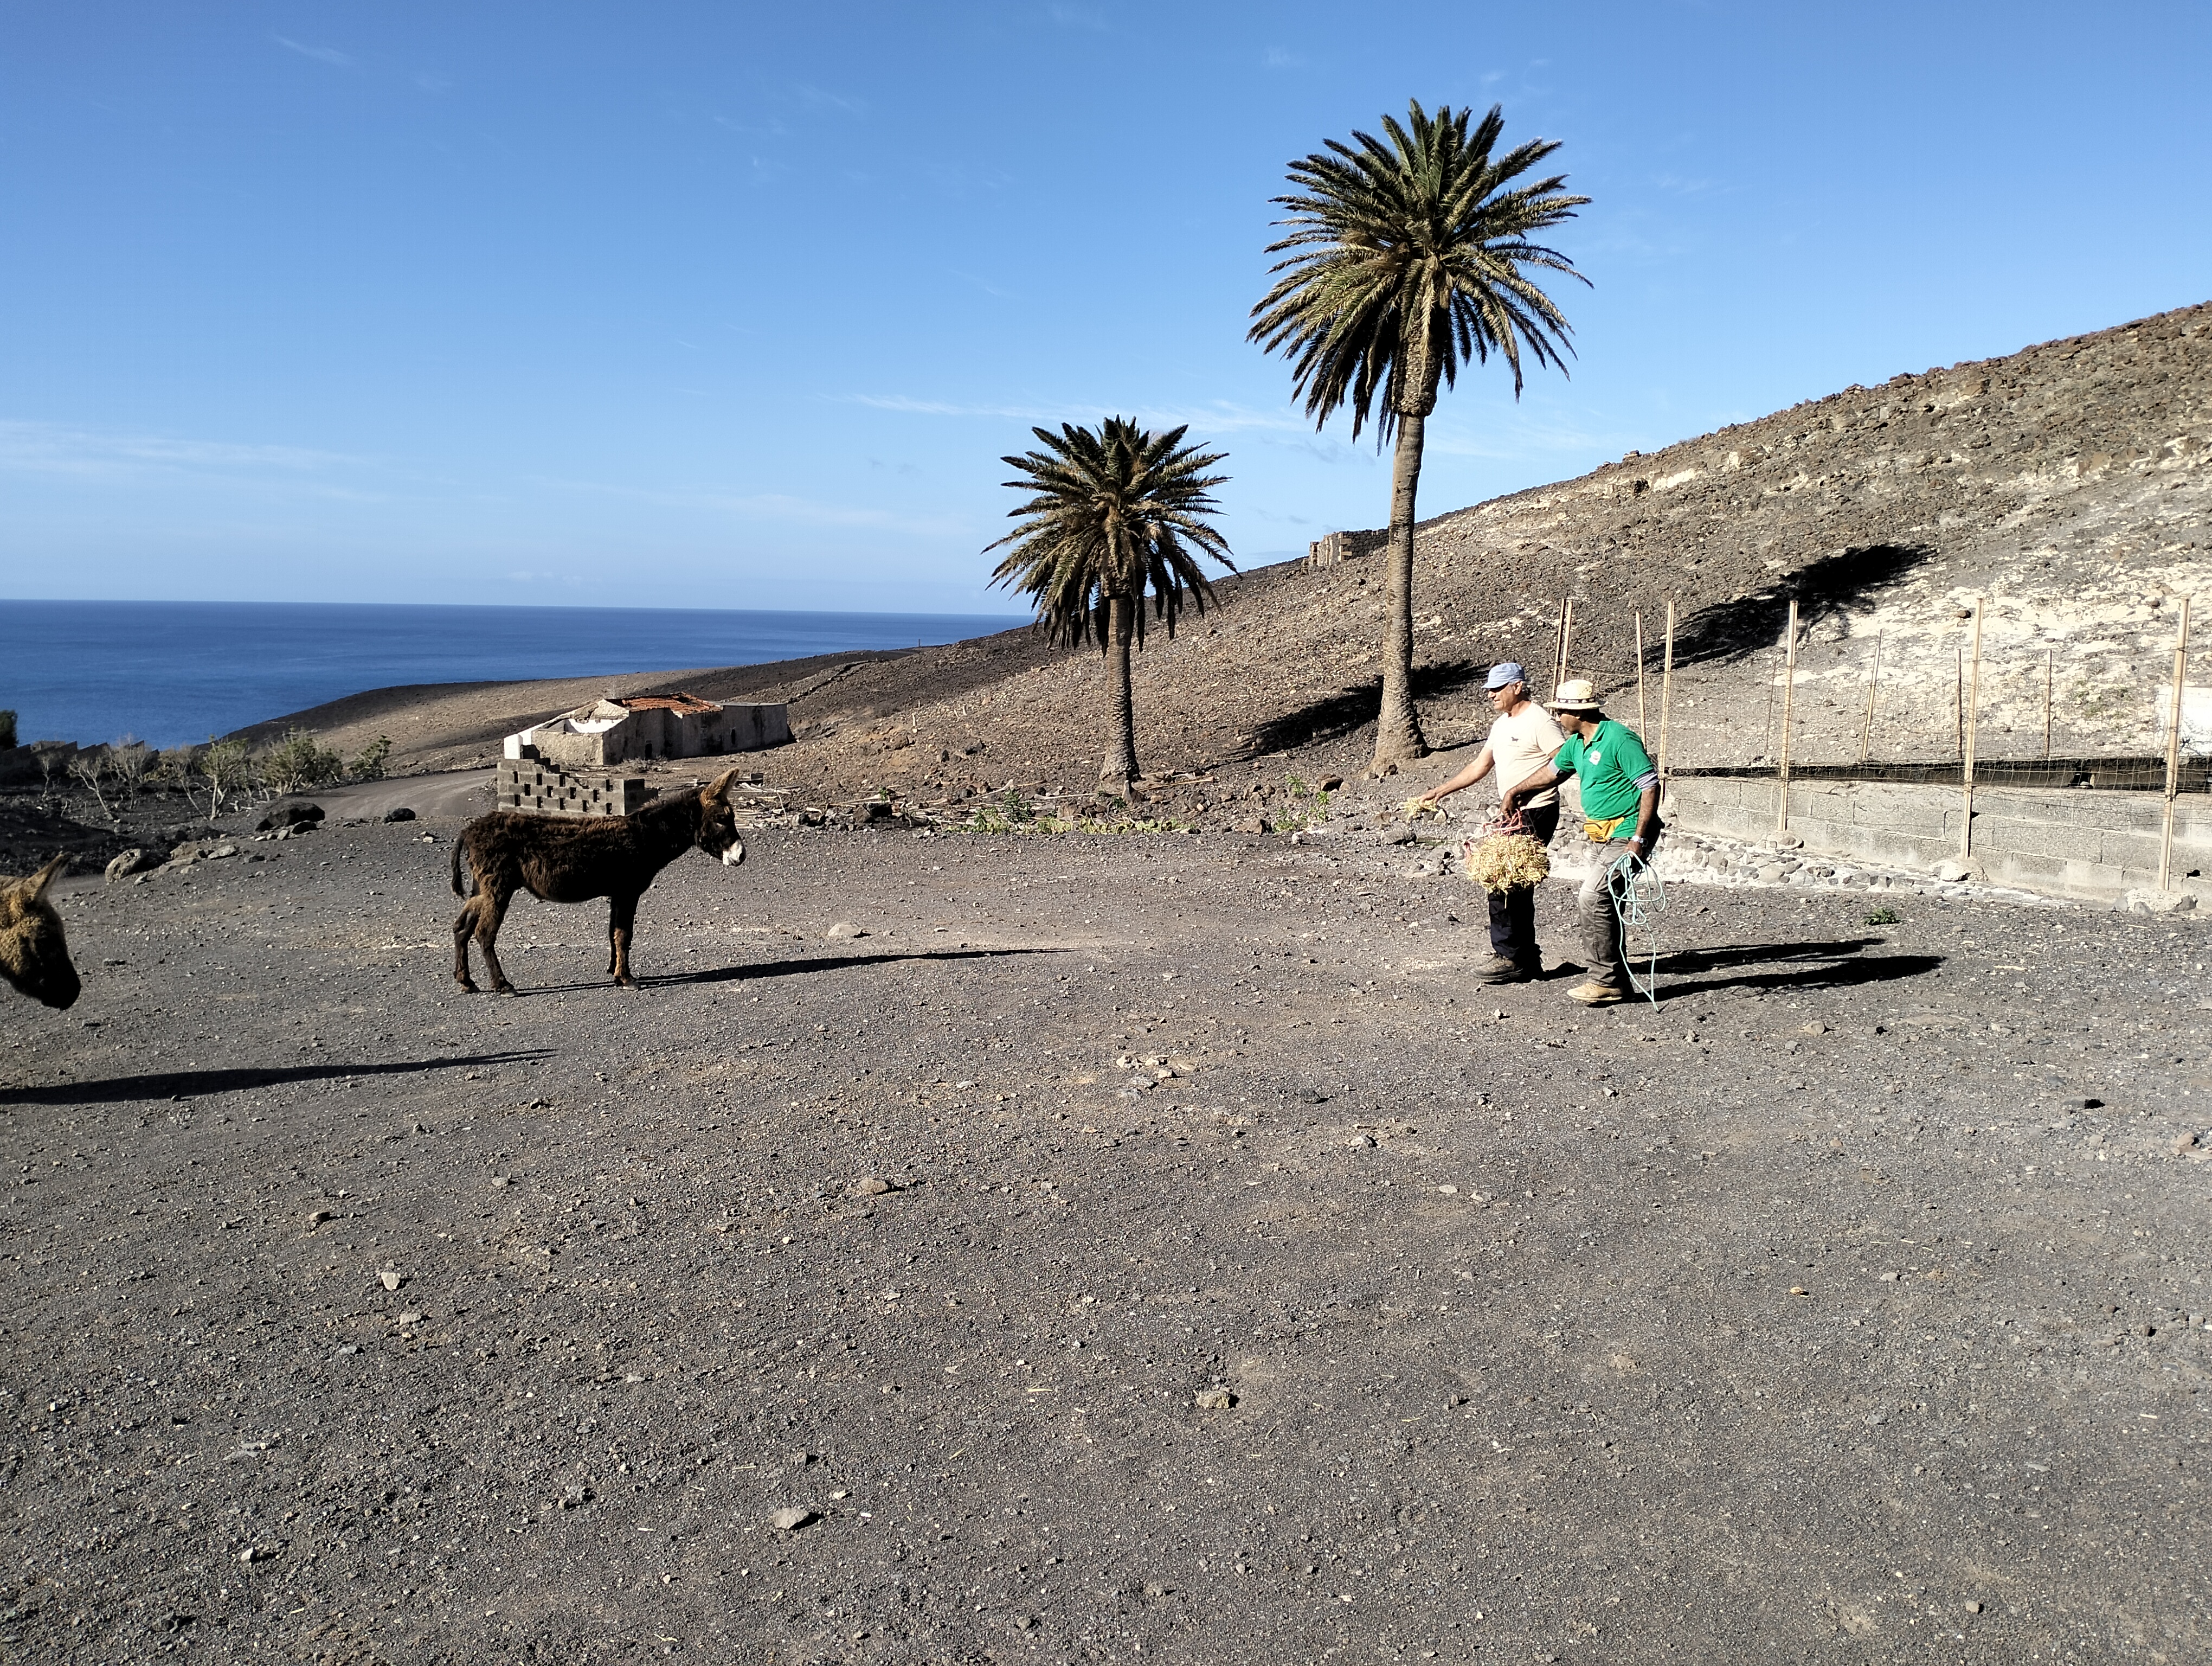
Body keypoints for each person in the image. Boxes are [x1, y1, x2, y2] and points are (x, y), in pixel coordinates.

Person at [1500, 678, 1661, 1008]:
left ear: (1578, 712)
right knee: (1609, 903)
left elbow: (1650, 785)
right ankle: (1616, 980)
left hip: (1628, 833)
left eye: (1561, 711)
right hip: (1604, 835)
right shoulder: (1577, 743)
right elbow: (1552, 773)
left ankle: (1605, 981)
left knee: (1593, 894)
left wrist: (1639, 838)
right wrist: (1516, 791)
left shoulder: (1619, 739)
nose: (1557, 716)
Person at [1414, 662, 1565, 985]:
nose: (1491, 694)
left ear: (1518, 687)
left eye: (1498, 689)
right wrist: (1441, 790)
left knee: (1505, 882)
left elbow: (1563, 763)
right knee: (1509, 883)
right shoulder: (1502, 724)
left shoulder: (1540, 721)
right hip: (1511, 813)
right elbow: (1480, 765)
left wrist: (1522, 792)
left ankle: (1511, 956)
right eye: (1490, 689)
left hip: (1536, 810)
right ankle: (1523, 957)